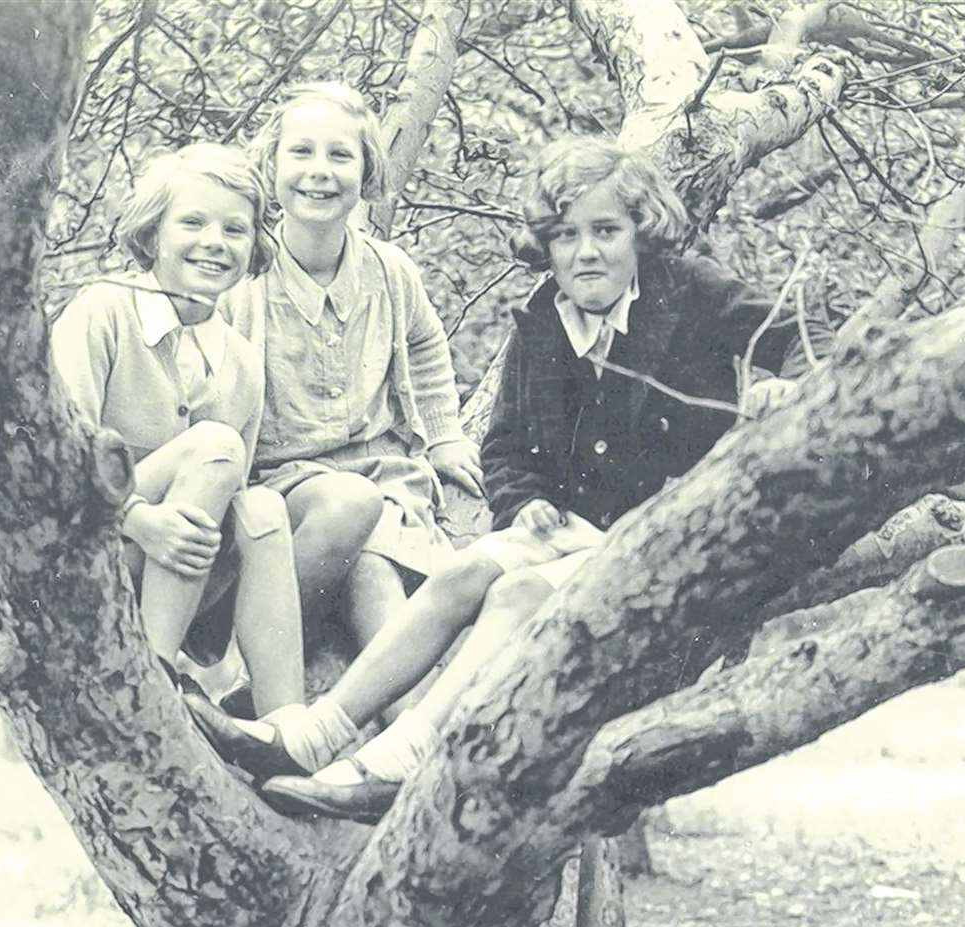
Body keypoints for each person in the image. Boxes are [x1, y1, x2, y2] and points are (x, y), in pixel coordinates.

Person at [214, 135, 815, 820]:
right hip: (572, 533)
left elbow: (800, 328)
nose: (585, 252)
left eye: (605, 232)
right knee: (463, 573)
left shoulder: (691, 292)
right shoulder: (542, 319)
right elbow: (504, 448)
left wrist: (793, 387)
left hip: (666, 539)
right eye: (565, 236)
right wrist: (524, 501)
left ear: (640, 235)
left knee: (519, 593)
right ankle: (312, 734)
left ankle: (402, 759)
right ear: (545, 246)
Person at [218, 82, 483, 660]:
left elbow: (427, 344)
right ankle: (259, 661)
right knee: (347, 513)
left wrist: (444, 436)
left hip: (383, 472)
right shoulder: (244, 280)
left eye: (341, 155)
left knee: (372, 572)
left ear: (367, 172)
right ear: (271, 165)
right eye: (302, 152)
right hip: (281, 483)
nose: (320, 171)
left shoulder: (389, 273)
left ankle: (404, 734)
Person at [49, 142, 305, 720]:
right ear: (152, 233)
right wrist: (140, 520)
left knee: (263, 504)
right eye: (192, 222)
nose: (214, 241)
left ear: (255, 247)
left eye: (235, 230)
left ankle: (285, 723)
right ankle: (152, 676)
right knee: (216, 445)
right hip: (91, 543)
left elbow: (225, 500)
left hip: (178, 567)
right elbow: (56, 452)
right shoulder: (104, 310)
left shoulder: (241, 361)